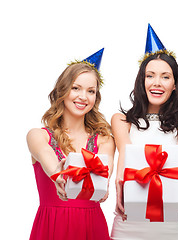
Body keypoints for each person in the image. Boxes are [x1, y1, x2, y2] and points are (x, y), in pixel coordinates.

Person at [110, 24, 178, 240]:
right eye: (150, 76)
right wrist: (119, 181)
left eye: (165, 77)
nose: (157, 83)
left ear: (175, 84)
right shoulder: (122, 121)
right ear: (142, 80)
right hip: (129, 220)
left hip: (172, 223)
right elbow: (125, 160)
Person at [27, 48, 115, 240]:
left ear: (96, 97)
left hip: (92, 227)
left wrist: (105, 183)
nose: (83, 96)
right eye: (76, 88)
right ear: (63, 91)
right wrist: (57, 175)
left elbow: (106, 170)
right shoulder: (38, 136)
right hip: (52, 227)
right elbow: (46, 155)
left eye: (90, 91)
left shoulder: (105, 140)